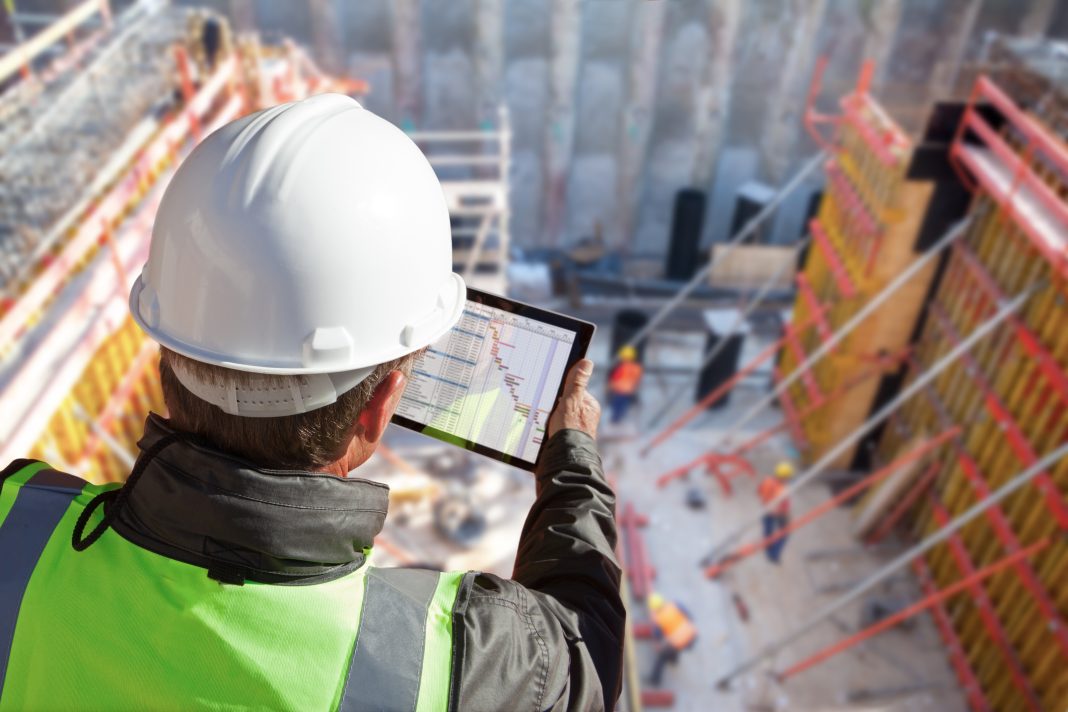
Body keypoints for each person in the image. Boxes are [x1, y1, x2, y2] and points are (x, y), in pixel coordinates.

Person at [0, 95, 624, 711]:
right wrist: (570, 462)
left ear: (167, 350)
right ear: (379, 406)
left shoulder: (17, 521)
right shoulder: (458, 663)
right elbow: (584, 650)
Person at [647, 592, 697, 687]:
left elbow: (658, 636)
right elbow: (689, 616)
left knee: (662, 656)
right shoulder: (675, 605)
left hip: (679, 641)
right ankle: (674, 660)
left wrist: (657, 642)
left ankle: (654, 680)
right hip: (691, 636)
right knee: (674, 647)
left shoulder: (658, 618)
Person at [758, 460, 794, 564]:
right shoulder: (783, 490)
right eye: (788, 477)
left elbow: (759, 491)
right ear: (784, 477)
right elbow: (784, 506)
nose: (789, 479)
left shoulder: (767, 480)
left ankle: (768, 550)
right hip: (777, 513)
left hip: (765, 509)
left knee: (767, 532)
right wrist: (787, 516)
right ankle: (774, 555)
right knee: (784, 534)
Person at [607, 345, 643, 423]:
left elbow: (616, 377)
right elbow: (637, 380)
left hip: (619, 390)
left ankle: (615, 421)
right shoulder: (637, 368)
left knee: (617, 407)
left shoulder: (622, 367)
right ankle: (618, 420)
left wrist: (610, 385)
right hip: (628, 391)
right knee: (623, 407)